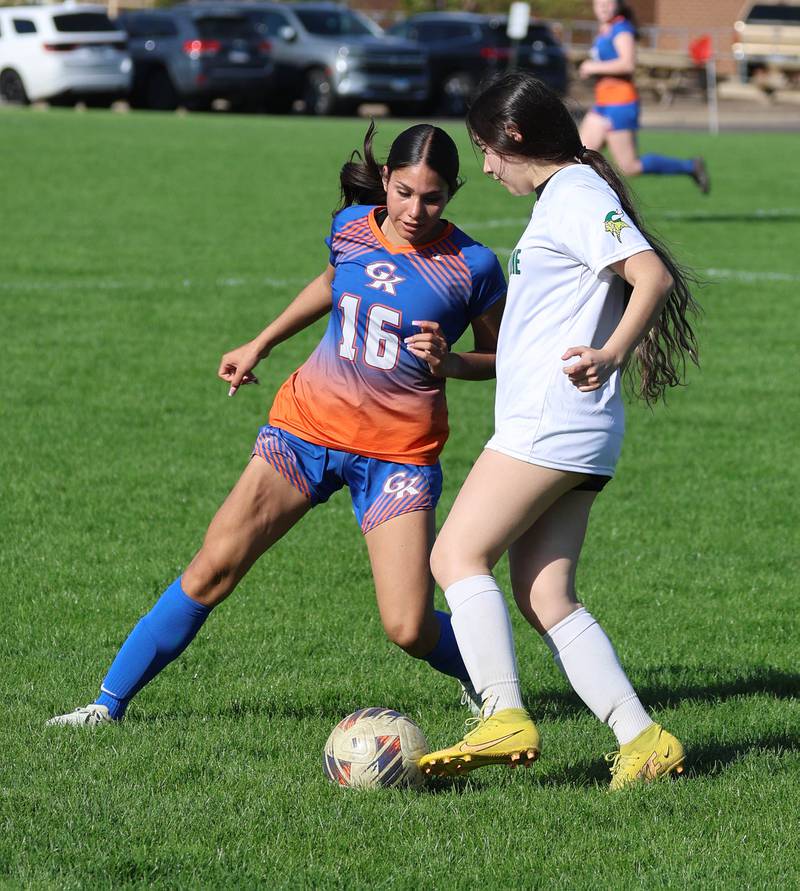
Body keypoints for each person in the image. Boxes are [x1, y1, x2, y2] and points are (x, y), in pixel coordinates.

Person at [47, 123, 507, 727]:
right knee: (214, 566)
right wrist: (261, 342)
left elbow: (501, 358)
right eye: (403, 192)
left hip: (398, 456)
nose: (414, 209)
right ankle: (105, 705)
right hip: (305, 430)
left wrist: (451, 362)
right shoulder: (351, 230)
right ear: (387, 182)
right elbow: (329, 284)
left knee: (408, 625)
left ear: (452, 193)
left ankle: (492, 688)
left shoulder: (472, 265)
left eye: (432, 197)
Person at [417, 72, 699, 790]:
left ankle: (503, 711)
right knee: (546, 596)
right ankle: (643, 738)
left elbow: (650, 275)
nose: (483, 168)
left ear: (514, 137)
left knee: (454, 554)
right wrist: (461, 364)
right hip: (576, 428)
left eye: (485, 150)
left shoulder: (575, 193)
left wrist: (610, 353)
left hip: (552, 422)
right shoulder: (568, 195)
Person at [578, 0, 710, 193]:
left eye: (608, 3)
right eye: (599, 3)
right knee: (578, 159)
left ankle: (690, 167)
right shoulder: (604, 29)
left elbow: (628, 63)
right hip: (603, 103)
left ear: (617, 5)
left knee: (629, 167)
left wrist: (592, 67)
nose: (603, 7)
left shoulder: (621, 28)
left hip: (620, 104)